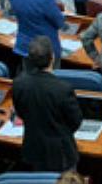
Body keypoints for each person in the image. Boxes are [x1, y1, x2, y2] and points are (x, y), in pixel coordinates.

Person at [13, 36, 85, 173]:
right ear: (52, 58)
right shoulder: (63, 89)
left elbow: (20, 112)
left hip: (33, 148)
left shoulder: (18, 83)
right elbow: (76, 121)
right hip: (61, 153)